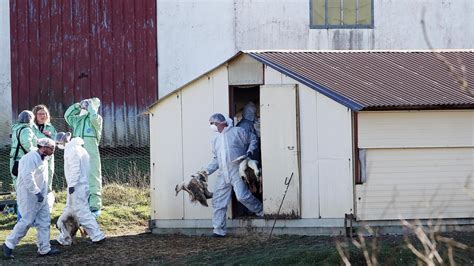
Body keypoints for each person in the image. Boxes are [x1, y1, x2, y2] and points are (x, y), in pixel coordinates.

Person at [201, 113, 263, 237]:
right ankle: (218, 231)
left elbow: (253, 139)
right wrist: (205, 172)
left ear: (221, 123)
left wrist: (250, 152)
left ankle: (260, 210)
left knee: (242, 196)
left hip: (237, 169)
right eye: (210, 124)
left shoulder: (237, 132)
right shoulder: (215, 139)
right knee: (219, 201)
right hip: (223, 173)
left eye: (213, 123)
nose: (212, 126)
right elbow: (216, 160)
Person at [3, 138, 60, 259]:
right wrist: (36, 192)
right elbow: (27, 177)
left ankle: (44, 249)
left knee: (44, 222)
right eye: (52, 148)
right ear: (44, 147)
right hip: (28, 195)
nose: (53, 150)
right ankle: (9, 244)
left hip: (41, 195)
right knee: (27, 221)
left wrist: (42, 194)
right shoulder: (30, 158)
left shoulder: (44, 158)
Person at [54, 132, 106, 245]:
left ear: (62, 141)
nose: (58, 145)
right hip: (79, 185)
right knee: (69, 212)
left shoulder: (73, 150)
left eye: (58, 143)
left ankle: (97, 236)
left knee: (82, 213)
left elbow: (75, 169)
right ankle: (65, 238)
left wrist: (72, 185)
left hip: (77, 186)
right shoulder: (77, 148)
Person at [64, 97, 103, 217]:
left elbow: (93, 117)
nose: (86, 105)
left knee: (93, 177)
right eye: (86, 103)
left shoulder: (96, 119)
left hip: (91, 153)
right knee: (78, 177)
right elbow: (67, 116)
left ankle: (94, 206)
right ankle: (80, 204)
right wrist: (78, 106)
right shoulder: (77, 120)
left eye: (89, 104)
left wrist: (91, 106)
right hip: (77, 153)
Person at [32, 105, 57, 213]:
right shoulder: (31, 127)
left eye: (45, 113)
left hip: (48, 157)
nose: (43, 116)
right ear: (35, 115)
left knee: (49, 177)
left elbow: (57, 141)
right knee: (36, 178)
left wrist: (51, 136)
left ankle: (47, 206)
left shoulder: (50, 127)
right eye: (40, 114)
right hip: (36, 157)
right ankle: (34, 205)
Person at [8, 110, 37, 191]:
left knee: (16, 180)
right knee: (25, 181)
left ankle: (19, 200)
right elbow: (27, 145)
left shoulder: (16, 129)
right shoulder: (26, 130)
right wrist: (37, 153)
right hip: (23, 158)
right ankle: (24, 200)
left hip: (14, 157)